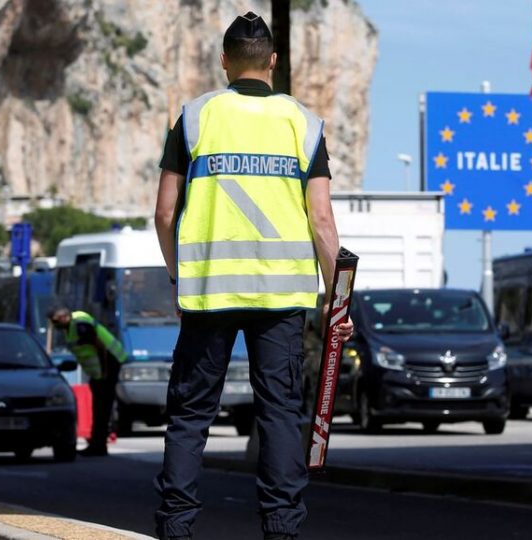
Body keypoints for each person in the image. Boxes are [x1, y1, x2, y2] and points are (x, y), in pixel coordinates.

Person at [153, 11, 353, 540]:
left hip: (207, 294)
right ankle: (282, 528)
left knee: (191, 415)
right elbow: (323, 221)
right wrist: (339, 304)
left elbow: (164, 214)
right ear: (273, 60)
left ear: (223, 62)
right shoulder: (303, 124)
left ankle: (176, 526)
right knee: (280, 413)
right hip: (281, 294)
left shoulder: (193, 118)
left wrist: (180, 278)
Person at [47, 306, 127, 457]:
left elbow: (100, 347)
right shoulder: (71, 327)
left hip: (108, 365)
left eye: (56, 322)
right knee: (99, 406)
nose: (55, 326)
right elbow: (83, 352)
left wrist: (103, 373)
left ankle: (99, 445)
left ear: (63, 317)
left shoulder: (80, 325)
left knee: (102, 406)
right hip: (100, 371)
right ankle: (97, 444)